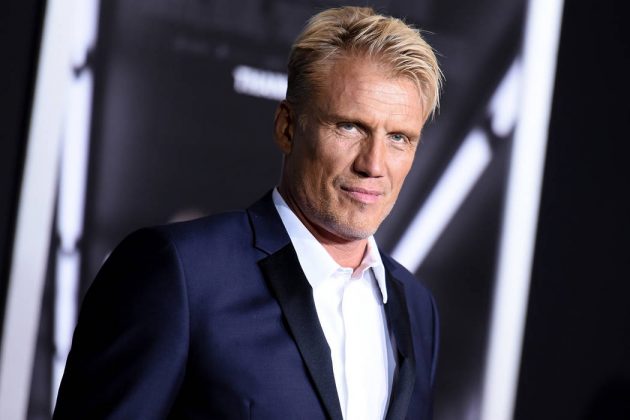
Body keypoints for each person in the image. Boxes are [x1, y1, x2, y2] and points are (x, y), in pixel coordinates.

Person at [53, 6, 442, 420]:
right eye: (349, 127)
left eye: (399, 138)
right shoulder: (180, 272)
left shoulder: (418, 308)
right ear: (287, 127)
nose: (374, 164)